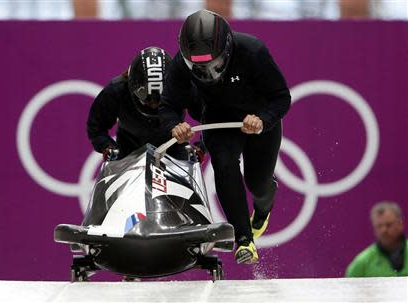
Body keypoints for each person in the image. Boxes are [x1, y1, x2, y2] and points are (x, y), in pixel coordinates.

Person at [159, 9, 291, 264]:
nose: (208, 73)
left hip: (258, 122)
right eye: (198, 67)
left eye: (214, 65)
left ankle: (263, 209)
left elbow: (281, 97)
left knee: (258, 183)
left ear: (227, 49)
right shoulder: (179, 64)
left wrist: (263, 119)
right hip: (218, 121)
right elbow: (168, 106)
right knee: (224, 163)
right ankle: (244, 240)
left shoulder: (253, 51)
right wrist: (175, 126)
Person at [87, 46, 200, 161]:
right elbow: (96, 126)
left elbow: (212, 117)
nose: (154, 106)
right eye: (148, 101)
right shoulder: (117, 90)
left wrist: (200, 149)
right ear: (132, 86)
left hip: (173, 147)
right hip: (128, 149)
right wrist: (108, 147)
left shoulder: (183, 87)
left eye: (160, 101)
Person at [346, 201, 407, 277]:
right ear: (374, 229)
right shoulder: (361, 263)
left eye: (389, 225)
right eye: (379, 226)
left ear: (400, 224)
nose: (384, 230)